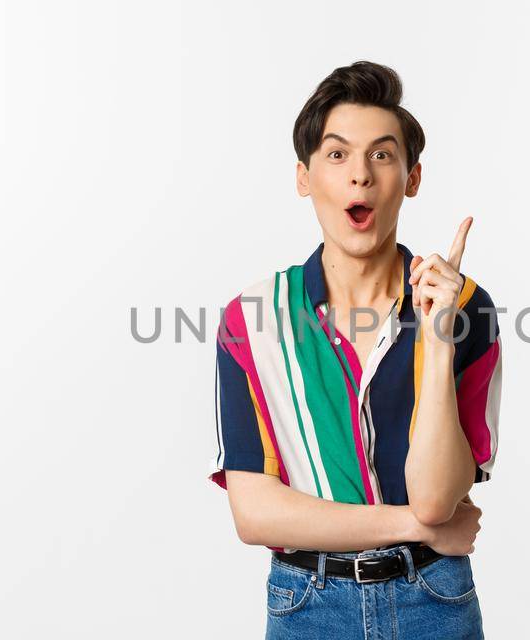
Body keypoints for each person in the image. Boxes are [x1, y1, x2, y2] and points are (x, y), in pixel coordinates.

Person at [208, 61, 505, 639]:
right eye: (338, 155)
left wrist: (438, 340)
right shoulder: (251, 318)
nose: (360, 176)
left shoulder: (465, 306)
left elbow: (438, 499)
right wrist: (415, 526)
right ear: (304, 175)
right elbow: (255, 513)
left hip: (434, 600)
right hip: (307, 605)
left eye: (383, 155)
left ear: (412, 177)